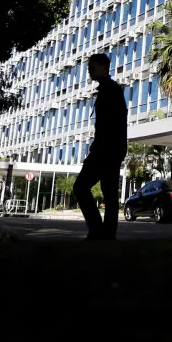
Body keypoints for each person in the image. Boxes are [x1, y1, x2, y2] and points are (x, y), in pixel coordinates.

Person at [74, 53, 128, 240]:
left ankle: (101, 232)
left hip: (107, 150)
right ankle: (104, 234)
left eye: (92, 67)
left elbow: (115, 123)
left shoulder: (111, 90)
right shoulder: (107, 89)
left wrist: (113, 150)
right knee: (108, 192)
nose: (89, 70)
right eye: (89, 68)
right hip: (107, 149)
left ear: (104, 68)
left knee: (83, 187)